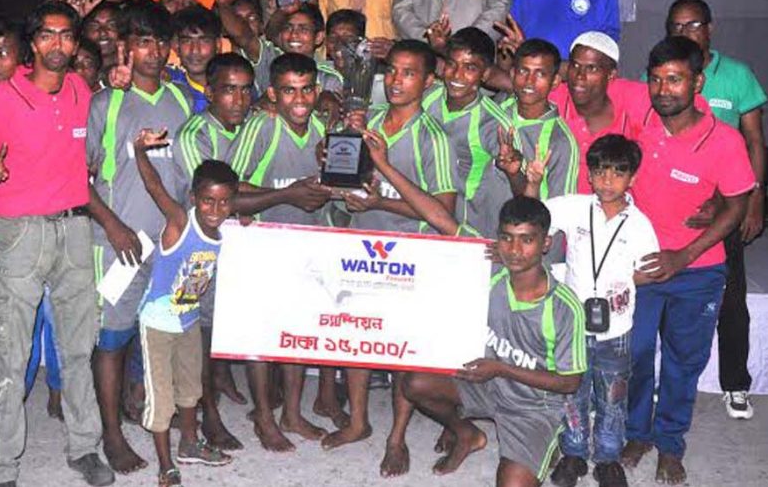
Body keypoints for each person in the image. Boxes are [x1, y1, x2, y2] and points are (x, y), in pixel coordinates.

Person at [0, 0, 113, 487]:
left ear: (76, 44)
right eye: (47, 34)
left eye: (67, 35)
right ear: (32, 43)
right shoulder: (3, 98)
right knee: (9, 351)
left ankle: (84, 447)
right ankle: (2, 464)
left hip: (73, 229)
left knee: (77, 347)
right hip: (22, 232)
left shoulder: (79, 89)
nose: (58, 44)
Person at [622, 37, 755, 486]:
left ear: (697, 82)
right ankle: (636, 432)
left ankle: (671, 444)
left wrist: (684, 255)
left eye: (674, 79)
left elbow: (736, 206)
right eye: (657, 79)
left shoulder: (725, 139)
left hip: (697, 271)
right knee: (635, 353)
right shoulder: (640, 121)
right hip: (639, 267)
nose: (663, 89)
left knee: (683, 361)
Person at [325, 40, 456, 480]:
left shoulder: (434, 137)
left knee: (402, 346)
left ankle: (397, 436)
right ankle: (359, 420)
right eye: (392, 72)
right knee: (359, 336)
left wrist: (381, 204)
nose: (397, 80)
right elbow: (350, 182)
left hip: (411, 255)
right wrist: (333, 155)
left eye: (409, 73)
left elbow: (444, 213)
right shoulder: (370, 123)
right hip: (363, 246)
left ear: (428, 81)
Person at [400, 195, 586, 487]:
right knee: (415, 383)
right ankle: (467, 434)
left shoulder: (564, 306)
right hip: (485, 384)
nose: (514, 250)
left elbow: (570, 382)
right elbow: (440, 218)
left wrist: (501, 368)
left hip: (532, 407)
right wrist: (382, 163)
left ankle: (542, 448)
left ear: (546, 244)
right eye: (507, 239)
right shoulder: (492, 269)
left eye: (526, 240)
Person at [87, 0, 192, 476]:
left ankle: (158, 414)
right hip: (119, 243)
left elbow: (189, 175)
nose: (154, 51)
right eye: (143, 41)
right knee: (112, 337)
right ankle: (110, 434)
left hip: (169, 243)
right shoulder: (107, 102)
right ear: (126, 47)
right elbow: (80, 176)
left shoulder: (182, 99)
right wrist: (113, 225)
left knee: (166, 332)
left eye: (161, 42)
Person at [534, 136, 659, 487]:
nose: (607, 181)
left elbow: (648, 269)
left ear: (632, 179)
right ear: (589, 175)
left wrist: (620, 285)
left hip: (616, 327)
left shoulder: (639, 224)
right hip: (572, 323)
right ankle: (573, 452)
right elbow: (537, 215)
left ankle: (607, 457)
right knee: (572, 390)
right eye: (600, 172)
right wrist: (542, 232)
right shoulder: (575, 207)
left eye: (618, 173)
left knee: (613, 392)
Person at [664, 0, 767, 420]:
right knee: (664, 293)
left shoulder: (738, 75)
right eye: (677, 26)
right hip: (672, 203)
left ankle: (735, 384)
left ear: (710, 28)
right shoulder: (662, 73)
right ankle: (657, 381)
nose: (685, 33)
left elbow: (755, 141)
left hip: (727, 202)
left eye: (693, 25)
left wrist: (755, 198)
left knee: (730, 296)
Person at [230, 53, 334, 452]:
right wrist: (289, 193)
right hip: (263, 244)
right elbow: (229, 190)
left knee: (299, 333)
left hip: (308, 245)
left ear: (317, 90)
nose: (300, 99)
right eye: (289, 90)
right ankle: (264, 417)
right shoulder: (262, 127)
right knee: (262, 335)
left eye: (307, 89)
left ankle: (292, 412)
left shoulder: (323, 128)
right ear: (273, 93)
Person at [133, 146, 237, 487]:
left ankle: (190, 444)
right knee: (162, 399)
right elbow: (153, 186)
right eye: (208, 200)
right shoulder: (180, 221)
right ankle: (166, 466)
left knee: (191, 390)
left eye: (224, 202)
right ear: (194, 198)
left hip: (188, 322)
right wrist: (139, 151)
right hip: (158, 326)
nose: (215, 210)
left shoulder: (223, 231)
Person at [172, 52, 256, 451]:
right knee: (196, 336)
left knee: (218, 330)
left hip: (236, 250)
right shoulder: (193, 135)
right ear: (210, 92)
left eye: (244, 91)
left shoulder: (254, 126)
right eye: (227, 90)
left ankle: (215, 395)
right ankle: (209, 417)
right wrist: (285, 194)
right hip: (195, 251)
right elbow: (217, 202)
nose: (237, 100)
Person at [421, 27, 512, 238]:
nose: (457, 75)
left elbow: (515, 184)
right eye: (452, 64)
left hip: (464, 227)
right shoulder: (425, 96)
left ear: (486, 74)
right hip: (416, 217)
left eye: (469, 68)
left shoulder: (493, 123)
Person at [547, 32, 651, 193]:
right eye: (575, 66)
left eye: (591, 68)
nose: (580, 76)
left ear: (611, 75)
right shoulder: (556, 98)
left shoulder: (633, 98)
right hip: (561, 210)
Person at [217, 0, 342, 96]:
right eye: (288, 28)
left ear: (319, 37)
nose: (294, 35)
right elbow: (244, 37)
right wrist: (224, 5)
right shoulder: (271, 59)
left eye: (303, 29)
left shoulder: (328, 75)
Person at [494, 38, 579, 202]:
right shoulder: (497, 109)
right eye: (523, 71)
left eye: (540, 74)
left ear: (554, 81)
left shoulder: (560, 141)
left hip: (523, 225)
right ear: (512, 74)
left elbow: (561, 213)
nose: (529, 81)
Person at [167, 6, 224, 112]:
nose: (195, 50)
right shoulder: (168, 83)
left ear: (218, 45)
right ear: (176, 47)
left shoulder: (234, 84)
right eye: (187, 41)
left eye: (203, 41)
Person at [82, 2, 123, 83]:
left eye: (111, 25)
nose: (103, 32)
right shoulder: (78, 72)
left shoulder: (137, 70)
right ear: (84, 31)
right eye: (94, 26)